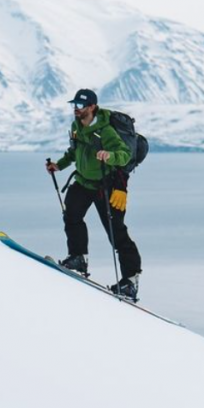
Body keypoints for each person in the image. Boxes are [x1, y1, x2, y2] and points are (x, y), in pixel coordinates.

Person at [47, 89, 142, 300]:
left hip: (106, 186)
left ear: (91, 107)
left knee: (116, 232)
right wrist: (58, 166)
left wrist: (109, 155)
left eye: (80, 106)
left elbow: (124, 155)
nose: (76, 109)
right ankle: (78, 259)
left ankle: (130, 280)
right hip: (83, 181)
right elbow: (74, 151)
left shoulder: (105, 131)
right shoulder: (76, 126)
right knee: (71, 216)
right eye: (74, 105)